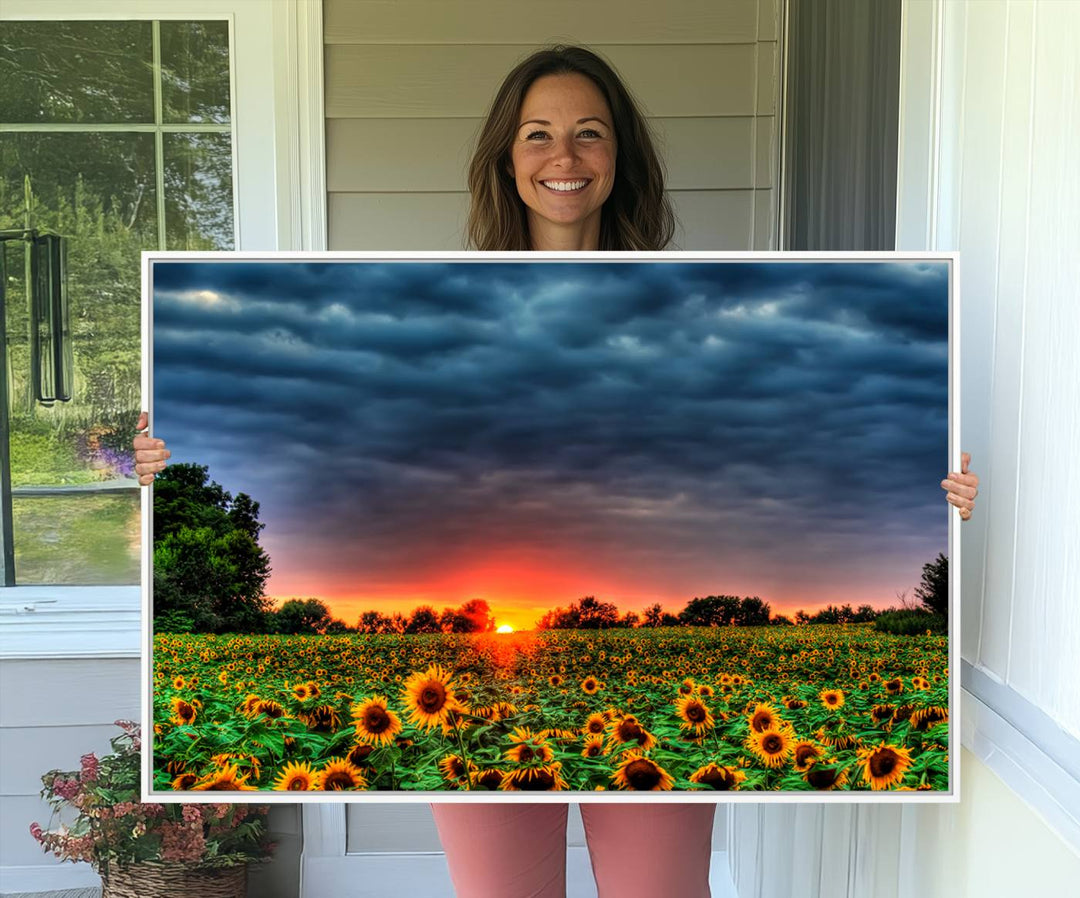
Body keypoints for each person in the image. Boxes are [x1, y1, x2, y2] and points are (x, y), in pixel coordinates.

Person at [134, 45, 979, 898]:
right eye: (538, 134)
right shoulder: (440, 311)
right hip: (466, 693)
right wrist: (165, 467)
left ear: (621, 158)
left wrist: (937, 496)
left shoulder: (694, 304)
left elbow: (796, 436)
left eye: (589, 134)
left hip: (653, 705)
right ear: (507, 157)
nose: (564, 157)